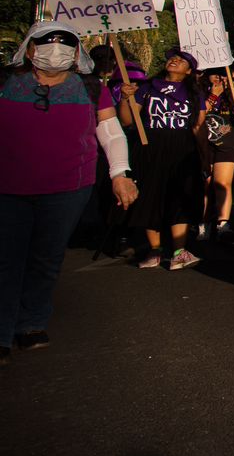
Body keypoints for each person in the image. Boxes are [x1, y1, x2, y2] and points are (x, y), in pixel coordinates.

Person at [1, 23, 137, 366]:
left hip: (67, 190)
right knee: (6, 259)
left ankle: (31, 322)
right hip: (7, 188)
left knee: (46, 258)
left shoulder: (91, 88)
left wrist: (120, 174)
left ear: (78, 53)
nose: (56, 49)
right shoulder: (5, 82)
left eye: (66, 44)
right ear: (30, 49)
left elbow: (111, 133)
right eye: (47, 42)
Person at [120, 47, 207, 271]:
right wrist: (125, 99)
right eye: (173, 58)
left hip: (182, 149)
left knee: (180, 197)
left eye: (182, 60)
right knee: (151, 197)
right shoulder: (147, 87)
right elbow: (128, 120)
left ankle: (179, 251)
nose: (175, 60)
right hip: (150, 148)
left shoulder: (195, 93)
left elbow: (198, 127)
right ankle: (155, 250)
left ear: (189, 71)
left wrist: (206, 156)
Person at [198, 70, 234, 241]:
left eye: (223, 74)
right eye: (215, 74)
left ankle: (223, 223)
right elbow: (198, 117)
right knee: (206, 184)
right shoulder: (199, 93)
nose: (219, 78)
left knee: (222, 183)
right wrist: (213, 95)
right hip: (205, 144)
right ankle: (204, 222)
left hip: (227, 145)